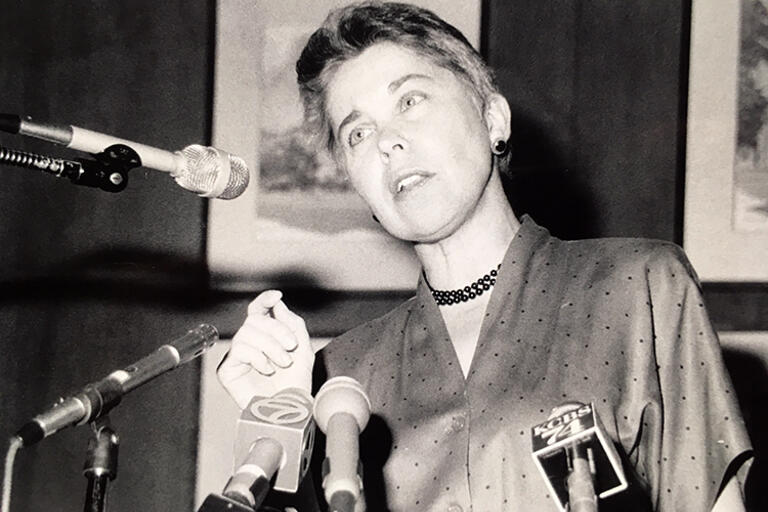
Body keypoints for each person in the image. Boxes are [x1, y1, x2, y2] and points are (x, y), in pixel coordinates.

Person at [217, 2, 753, 510]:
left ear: (494, 119)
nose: (387, 142)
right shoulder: (341, 371)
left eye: (410, 101)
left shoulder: (640, 287)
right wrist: (280, 418)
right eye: (357, 133)